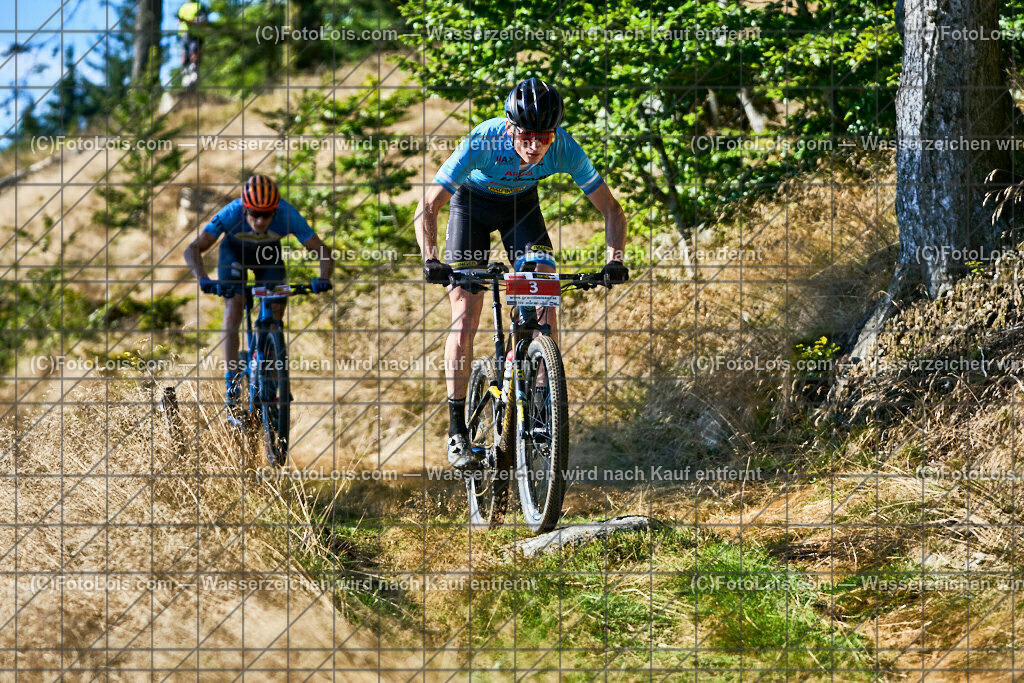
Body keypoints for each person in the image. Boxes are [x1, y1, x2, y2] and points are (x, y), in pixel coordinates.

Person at [415, 77, 629, 468]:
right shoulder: (483, 142)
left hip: (521, 210)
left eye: (544, 138)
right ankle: (457, 430)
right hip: (471, 208)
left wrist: (614, 259)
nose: (535, 147)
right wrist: (431, 258)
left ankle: (543, 402)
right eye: (527, 136)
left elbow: (612, 210)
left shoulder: (564, 147)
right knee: (466, 315)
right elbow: (428, 205)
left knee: (545, 297)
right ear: (511, 127)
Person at [184, 175, 333, 419]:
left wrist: (324, 277)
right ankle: (231, 385)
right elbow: (192, 249)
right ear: (245, 208)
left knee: (276, 309)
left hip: (268, 256)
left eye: (268, 214)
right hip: (234, 254)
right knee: (235, 305)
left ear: (276, 210)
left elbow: (322, 250)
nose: (261, 220)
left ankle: (272, 373)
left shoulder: (288, 214)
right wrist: (203, 279)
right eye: (254, 213)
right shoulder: (231, 213)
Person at [176, 1, 208, 72]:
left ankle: (195, 70)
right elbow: (178, 21)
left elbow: (204, 20)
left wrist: (191, 21)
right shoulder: (182, 7)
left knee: (194, 52)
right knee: (184, 55)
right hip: (183, 35)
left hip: (196, 35)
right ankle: (185, 71)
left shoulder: (199, 6)